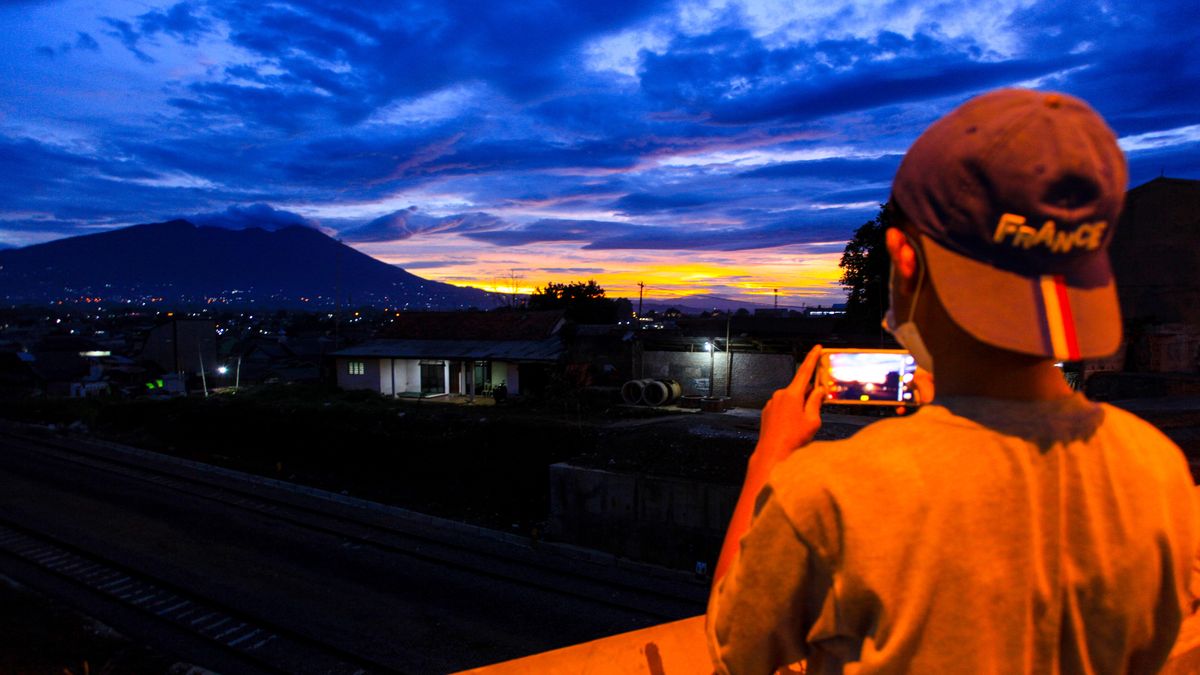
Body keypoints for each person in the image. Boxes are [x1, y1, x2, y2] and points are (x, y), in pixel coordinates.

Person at [706, 88, 1200, 674]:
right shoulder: (1156, 468)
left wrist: (770, 457)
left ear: (905, 261)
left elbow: (734, 648)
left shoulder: (830, 491)